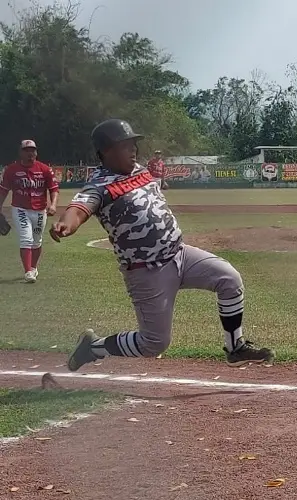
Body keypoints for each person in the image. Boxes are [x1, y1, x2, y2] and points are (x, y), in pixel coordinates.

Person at [50, 119, 274, 371]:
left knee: (230, 279)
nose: (133, 149)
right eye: (125, 145)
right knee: (154, 344)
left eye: (133, 144)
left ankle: (235, 348)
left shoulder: (140, 170)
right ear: (105, 151)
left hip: (180, 254)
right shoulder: (100, 186)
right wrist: (66, 224)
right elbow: (80, 207)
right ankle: (93, 347)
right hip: (146, 270)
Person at [0, 140, 59, 283]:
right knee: (26, 238)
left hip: (39, 210)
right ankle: (28, 271)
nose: (30, 153)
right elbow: (3, 190)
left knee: (37, 241)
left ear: (36, 152)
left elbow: (53, 189)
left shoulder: (44, 169)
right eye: (26, 150)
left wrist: (53, 205)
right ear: (20, 152)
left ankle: (33, 268)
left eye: (32, 150)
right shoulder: (11, 170)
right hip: (20, 209)